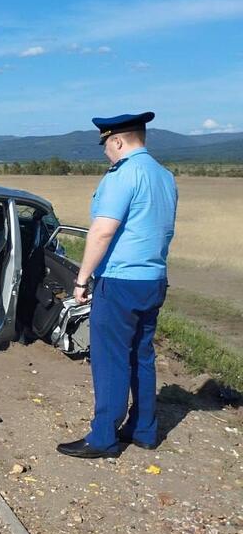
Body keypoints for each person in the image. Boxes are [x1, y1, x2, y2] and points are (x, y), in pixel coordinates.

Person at [57, 112, 178, 459]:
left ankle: (103, 438)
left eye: (106, 146)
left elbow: (103, 230)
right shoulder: (164, 176)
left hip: (121, 280)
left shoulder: (123, 174)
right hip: (153, 280)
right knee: (142, 354)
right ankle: (143, 430)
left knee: (110, 359)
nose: (106, 154)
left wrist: (82, 279)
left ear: (118, 141)